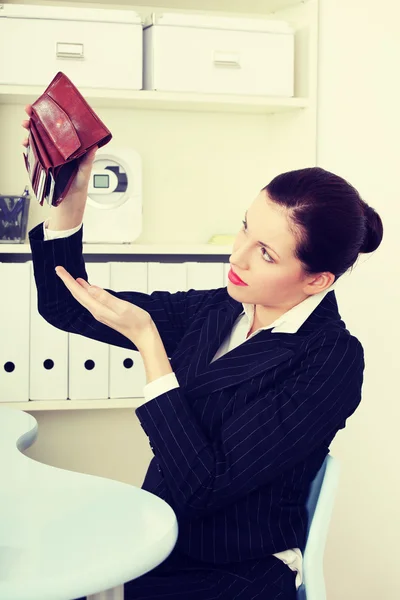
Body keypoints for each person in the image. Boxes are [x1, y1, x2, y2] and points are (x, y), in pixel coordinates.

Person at [22, 106, 383, 600]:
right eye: (244, 230)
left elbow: (203, 487)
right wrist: (71, 197)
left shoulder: (331, 361)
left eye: (267, 253)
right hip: (158, 543)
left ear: (318, 279)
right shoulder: (223, 308)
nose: (236, 256)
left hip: (235, 573)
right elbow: (68, 306)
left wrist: (151, 345)